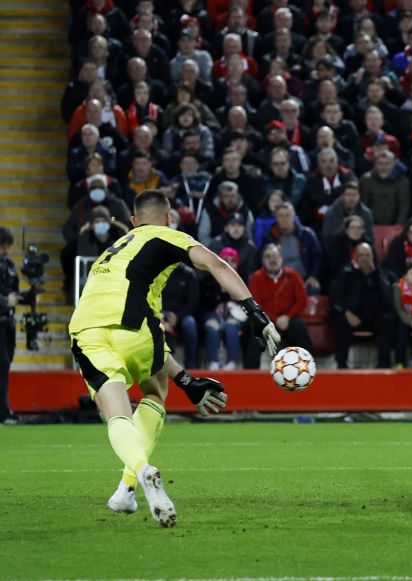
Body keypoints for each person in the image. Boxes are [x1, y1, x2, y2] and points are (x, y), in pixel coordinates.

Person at [68, 189, 280, 527]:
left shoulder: (109, 256)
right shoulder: (166, 235)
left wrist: (187, 380)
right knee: (153, 393)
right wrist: (253, 309)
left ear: (133, 222)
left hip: (85, 328)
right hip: (134, 327)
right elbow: (216, 263)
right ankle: (127, 485)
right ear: (168, 218)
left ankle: (135, 479)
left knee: (115, 413)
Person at [245, 243, 312, 369]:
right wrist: (274, 319)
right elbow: (256, 304)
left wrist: (288, 316)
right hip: (266, 320)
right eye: (268, 256)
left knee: (300, 327)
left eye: (275, 255)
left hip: (289, 319)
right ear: (263, 260)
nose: (272, 259)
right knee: (253, 331)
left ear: (281, 258)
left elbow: (302, 300)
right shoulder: (257, 277)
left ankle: (308, 368)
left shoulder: (292, 275)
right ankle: (250, 374)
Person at [330, 243, 394, 369]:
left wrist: (377, 275)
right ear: (356, 258)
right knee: (340, 321)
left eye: (367, 255)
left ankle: (383, 364)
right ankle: (341, 364)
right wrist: (347, 312)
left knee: (388, 321)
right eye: (361, 256)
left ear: (373, 257)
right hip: (353, 315)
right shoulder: (347, 274)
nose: (365, 258)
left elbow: (388, 300)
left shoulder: (381, 274)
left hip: (374, 316)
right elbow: (335, 299)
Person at [0, 227, 17, 424]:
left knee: (5, 367)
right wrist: (5, 301)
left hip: (8, 323)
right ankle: (3, 412)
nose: (5, 250)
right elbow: (8, 298)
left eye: (7, 247)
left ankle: (4, 410)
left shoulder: (10, 265)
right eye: (2, 246)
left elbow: (15, 292)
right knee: (2, 367)